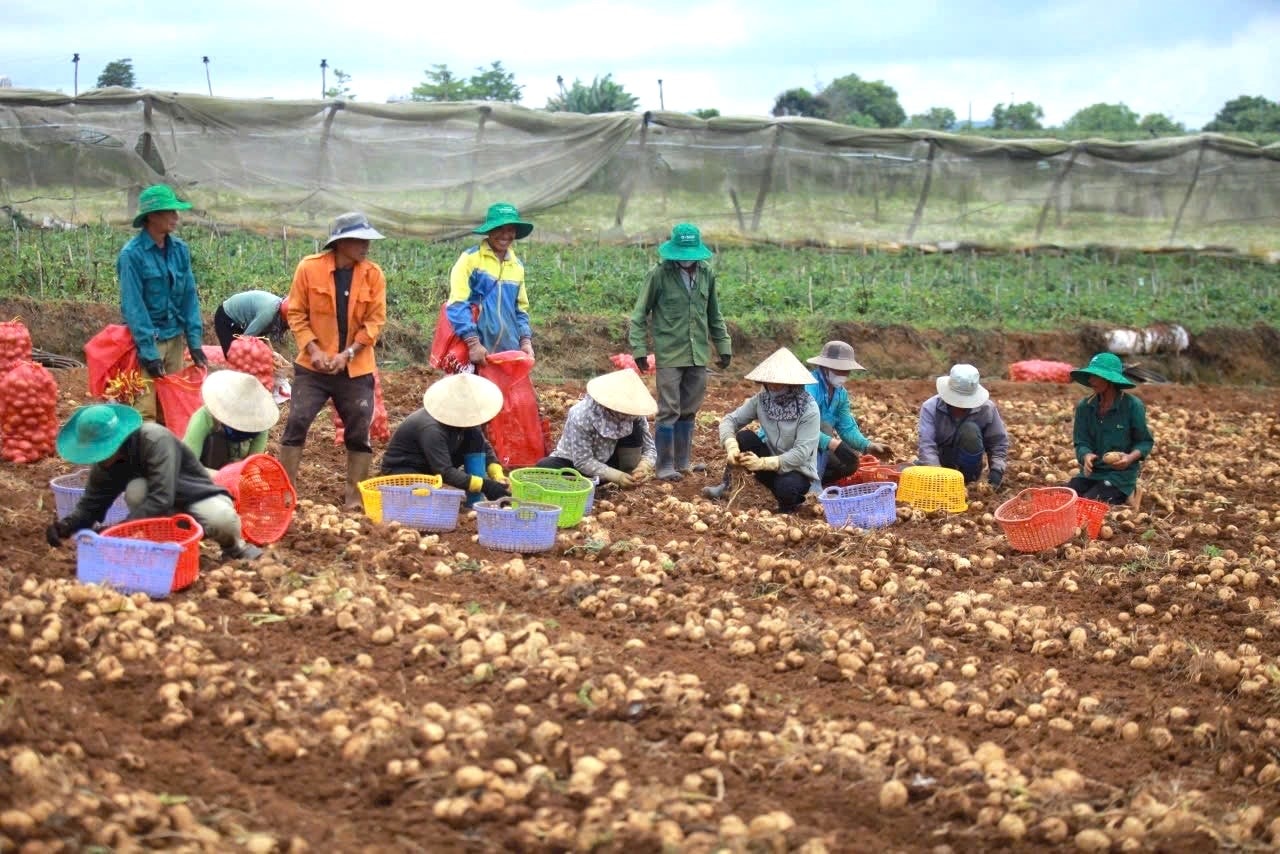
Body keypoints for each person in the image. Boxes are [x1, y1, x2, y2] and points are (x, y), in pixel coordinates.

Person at [44, 403, 261, 561]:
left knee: (221, 519)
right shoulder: (106, 465)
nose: (98, 458)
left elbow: (161, 497)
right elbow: (91, 505)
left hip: (196, 495)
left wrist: (114, 531)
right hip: (162, 507)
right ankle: (167, 546)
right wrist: (67, 526)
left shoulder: (154, 440)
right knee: (136, 491)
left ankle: (236, 549)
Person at [278, 212, 388, 509]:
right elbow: (296, 313)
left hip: (355, 368)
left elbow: (375, 322)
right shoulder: (309, 268)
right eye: (359, 240)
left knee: (358, 430)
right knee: (297, 422)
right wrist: (314, 351)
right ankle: (285, 495)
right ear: (340, 243)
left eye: (367, 239)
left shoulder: (373, 275)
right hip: (313, 367)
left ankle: (354, 502)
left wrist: (348, 353)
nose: (366, 246)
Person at [628, 222, 732, 480]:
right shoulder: (659, 274)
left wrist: (723, 345)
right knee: (669, 409)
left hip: (697, 352)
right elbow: (639, 315)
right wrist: (639, 349)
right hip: (670, 353)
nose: (687, 260)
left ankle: (683, 462)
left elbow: (714, 314)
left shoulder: (706, 274)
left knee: (690, 408)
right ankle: (664, 465)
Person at [118, 184, 208, 421]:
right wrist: (148, 351)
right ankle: (144, 456)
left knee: (172, 404)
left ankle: (169, 455)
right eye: (170, 212)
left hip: (175, 338)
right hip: (147, 341)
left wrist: (195, 342)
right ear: (152, 216)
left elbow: (189, 296)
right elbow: (133, 307)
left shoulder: (180, 250)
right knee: (144, 408)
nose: (176, 217)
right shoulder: (132, 255)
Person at [703, 348, 819, 513]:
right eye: (770, 381)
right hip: (769, 457)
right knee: (744, 437)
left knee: (786, 487)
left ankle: (788, 507)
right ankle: (727, 486)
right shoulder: (762, 400)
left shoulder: (809, 409)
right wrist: (730, 445)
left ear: (792, 384)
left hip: (797, 469)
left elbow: (801, 453)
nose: (773, 386)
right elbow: (730, 420)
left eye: (779, 383)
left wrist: (762, 463)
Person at [382, 373, 510, 502]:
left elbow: (483, 447)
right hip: (404, 471)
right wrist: (485, 485)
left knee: (475, 437)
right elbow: (444, 471)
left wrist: (497, 475)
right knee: (421, 503)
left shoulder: (466, 420)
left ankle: (475, 501)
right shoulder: (431, 428)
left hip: (430, 465)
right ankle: (476, 489)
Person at [446, 202, 535, 369]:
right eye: (499, 228)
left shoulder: (517, 267)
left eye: (510, 230)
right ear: (489, 230)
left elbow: (520, 310)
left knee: (504, 395)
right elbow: (457, 303)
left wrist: (525, 341)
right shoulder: (471, 259)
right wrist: (473, 343)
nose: (505, 235)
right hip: (475, 349)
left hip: (507, 351)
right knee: (470, 393)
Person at [538, 369, 658, 488]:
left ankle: (629, 477)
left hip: (610, 463)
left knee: (635, 428)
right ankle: (595, 482)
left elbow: (650, 449)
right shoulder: (582, 414)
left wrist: (644, 466)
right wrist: (615, 476)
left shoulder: (635, 413)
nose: (627, 414)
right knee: (545, 467)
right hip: (575, 466)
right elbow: (582, 461)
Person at [1066, 352, 1154, 505]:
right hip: (1092, 474)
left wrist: (1129, 458)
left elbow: (1144, 442)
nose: (1091, 379)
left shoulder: (1133, 406)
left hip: (1120, 476)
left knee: (1088, 503)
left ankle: (1130, 492)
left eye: (1096, 375)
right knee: (1065, 498)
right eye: (1090, 375)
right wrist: (1086, 455)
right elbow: (1081, 442)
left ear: (1110, 379)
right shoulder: (1084, 407)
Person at [804, 340, 891, 485]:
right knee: (824, 428)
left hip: (819, 444)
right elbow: (802, 428)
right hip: (794, 443)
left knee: (850, 461)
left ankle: (815, 480)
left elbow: (847, 427)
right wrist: (832, 444)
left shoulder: (840, 394)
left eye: (846, 370)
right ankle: (812, 482)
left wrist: (868, 446)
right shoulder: (809, 387)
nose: (844, 374)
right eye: (839, 369)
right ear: (825, 367)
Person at [917, 364, 1009, 487]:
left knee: (970, 430)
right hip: (940, 464)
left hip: (969, 467)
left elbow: (998, 443)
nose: (960, 406)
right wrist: (937, 478)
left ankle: (967, 480)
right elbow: (927, 445)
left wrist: (996, 471)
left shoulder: (986, 409)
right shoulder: (931, 407)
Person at [182, 370, 279, 472]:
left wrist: (242, 474)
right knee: (215, 442)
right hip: (203, 474)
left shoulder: (260, 424)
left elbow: (253, 464)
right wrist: (224, 477)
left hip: (235, 474)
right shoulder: (204, 417)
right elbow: (187, 465)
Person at [214, 290, 290, 356]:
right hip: (226, 316)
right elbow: (245, 338)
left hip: (241, 324)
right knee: (233, 355)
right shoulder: (268, 313)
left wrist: (273, 354)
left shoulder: (277, 307)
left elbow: (261, 336)